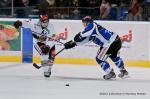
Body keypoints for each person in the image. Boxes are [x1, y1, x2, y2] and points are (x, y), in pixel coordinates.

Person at [64, 16, 129, 80]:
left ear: (87, 22)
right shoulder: (93, 30)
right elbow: (85, 40)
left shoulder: (92, 25)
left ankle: (110, 73)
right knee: (114, 57)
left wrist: (76, 38)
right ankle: (124, 71)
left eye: (84, 22)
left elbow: (82, 35)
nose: (83, 24)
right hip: (117, 40)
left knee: (99, 59)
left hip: (109, 44)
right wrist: (73, 44)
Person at [14, 13, 56, 78]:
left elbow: (53, 39)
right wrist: (19, 23)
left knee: (52, 57)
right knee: (44, 53)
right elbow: (25, 23)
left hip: (48, 42)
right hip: (38, 42)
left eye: (47, 22)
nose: (45, 24)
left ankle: (48, 68)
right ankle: (46, 71)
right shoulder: (34, 23)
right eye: (43, 22)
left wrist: (48, 46)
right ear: (40, 21)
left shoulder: (51, 26)